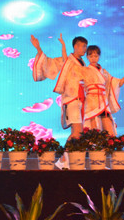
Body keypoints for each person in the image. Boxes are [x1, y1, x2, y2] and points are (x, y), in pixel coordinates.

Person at [31, 34, 87, 169]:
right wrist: (39, 48)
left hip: (81, 99)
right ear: (76, 46)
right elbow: (49, 64)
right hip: (71, 99)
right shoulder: (68, 60)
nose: (85, 49)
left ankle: (67, 161)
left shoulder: (83, 63)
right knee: (77, 132)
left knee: (78, 132)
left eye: (86, 46)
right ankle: (63, 160)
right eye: (83, 46)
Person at [80, 45, 124, 136]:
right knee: (93, 129)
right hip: (91, 102)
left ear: (99, 56)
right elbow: (78, 84)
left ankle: (111, 144)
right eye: (91, 56)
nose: (93, 58)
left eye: (96, 56)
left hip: (103, 102)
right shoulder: (84, 70)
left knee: (109, 129)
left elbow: (116, 84)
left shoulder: (104, 72)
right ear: (87, 57)